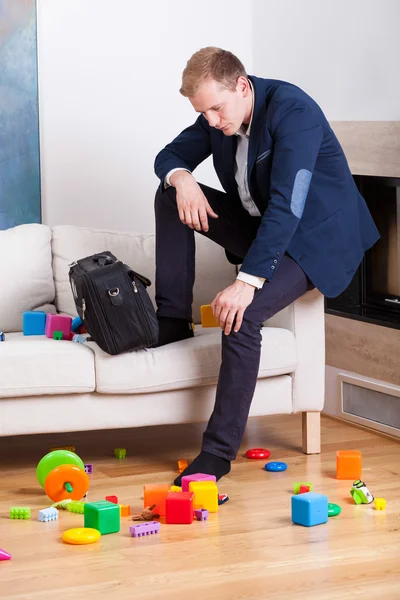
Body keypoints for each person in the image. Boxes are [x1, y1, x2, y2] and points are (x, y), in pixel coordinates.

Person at [153, 47, 380, 486]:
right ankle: (171, 322)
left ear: (242, 86)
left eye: (216, 109)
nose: (213, 122)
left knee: (245, 313)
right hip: (265, 228)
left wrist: (247, 280)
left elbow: (287, 205)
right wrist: (182, 180)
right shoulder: (219, 115)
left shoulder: (294, 111)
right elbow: (168, 156)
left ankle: (217, 455)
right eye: (204, 114)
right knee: (168, 195)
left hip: (315, 238)